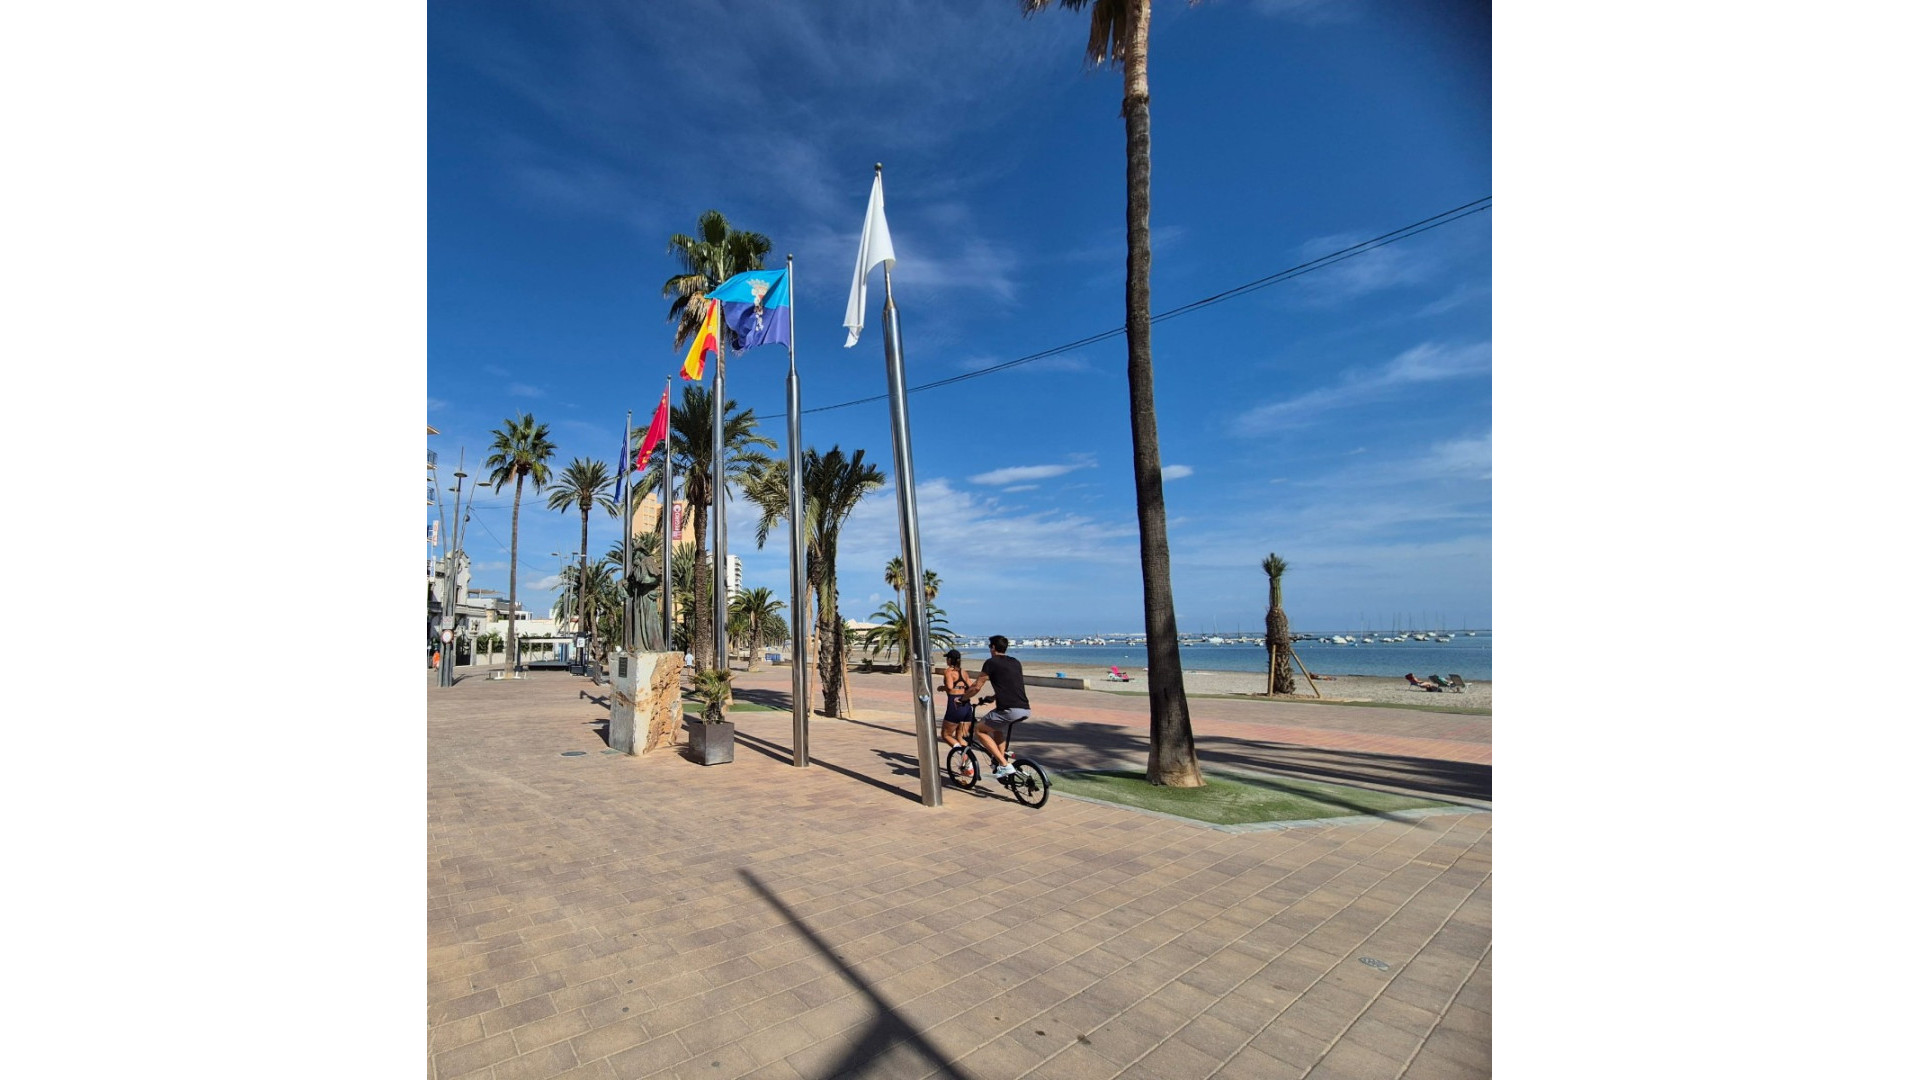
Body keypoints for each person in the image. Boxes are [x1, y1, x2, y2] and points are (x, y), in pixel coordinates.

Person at [969, 635, 1031, 779]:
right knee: (996, 727)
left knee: (979, 729)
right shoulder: (1016, 662)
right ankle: (999, 758)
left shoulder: (991, 662)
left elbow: (977, 686)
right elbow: (1012, 686)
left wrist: (962, 699)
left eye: (989, 646)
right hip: (1025, 708)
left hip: (1008, 709)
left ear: (993, 648)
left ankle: (1004, 764)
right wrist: (993, 697)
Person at [939, 650, 977, 756]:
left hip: (955, 704)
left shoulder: (948, 672)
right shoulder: (963, 672)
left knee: (946, 735)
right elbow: (971, 686)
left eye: (947, 658)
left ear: (950, 660)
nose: (946, 660)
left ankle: (963, 755)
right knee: (960, 737)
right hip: (966, 705)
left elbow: (950, 686)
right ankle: (969, 764)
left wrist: (942, 687)